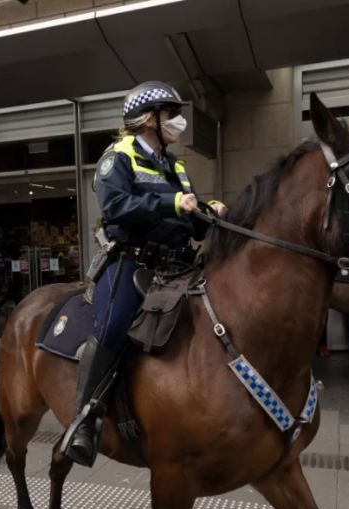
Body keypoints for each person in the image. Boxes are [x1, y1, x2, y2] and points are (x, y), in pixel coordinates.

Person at [63, 81, 226, 467]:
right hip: (131, 262)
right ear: (149, 120)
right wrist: (174, 202)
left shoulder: (177, 165)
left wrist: (208, 212)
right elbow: (117, 206)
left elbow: (189, 220)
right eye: (171, 115)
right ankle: (84, 421)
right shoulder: (117, 156)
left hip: (177, 264)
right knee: (114, 325)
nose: (178, 122)